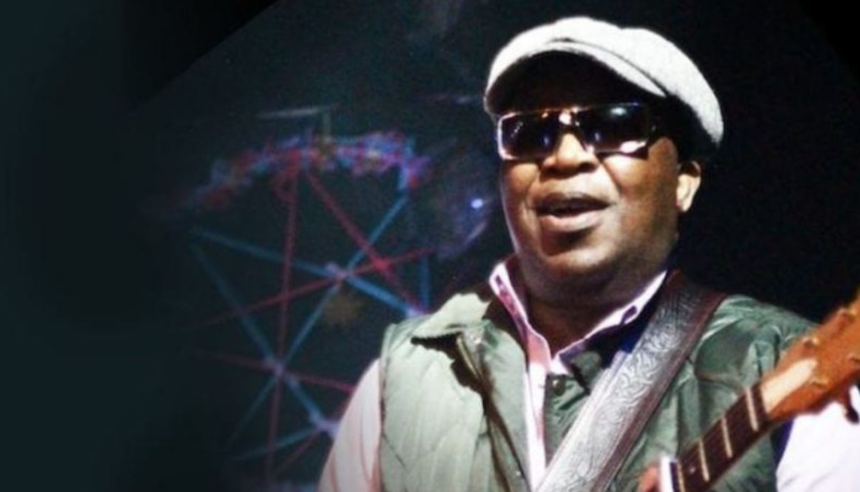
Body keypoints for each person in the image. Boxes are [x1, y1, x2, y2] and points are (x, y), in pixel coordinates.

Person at [318, 16, 860, 492]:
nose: (565, 155)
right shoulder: (401, 379)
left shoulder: (781, 364)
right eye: (530, 132)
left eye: (613, 125)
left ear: (684, 182)